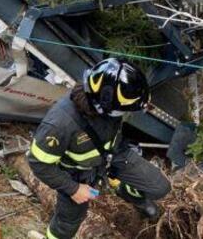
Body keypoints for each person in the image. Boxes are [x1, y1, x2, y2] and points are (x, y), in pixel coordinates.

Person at [28, 58, 171, 239]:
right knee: (67, 223)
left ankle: (125, 189)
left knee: (159, 187)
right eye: (121, 111)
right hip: (77, 174)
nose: (123, 115)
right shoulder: (59, 124)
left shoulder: (110, 99)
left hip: (113, 155)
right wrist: (73, 189)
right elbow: (38, 163)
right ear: (103, 105)